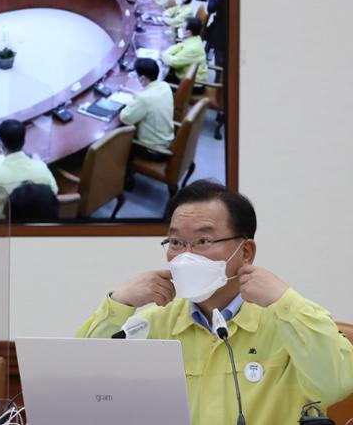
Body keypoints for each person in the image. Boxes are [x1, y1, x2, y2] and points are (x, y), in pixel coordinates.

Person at [78, 180, 353, 424]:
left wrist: (286, 302)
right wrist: (119, 303)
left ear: (245, 252)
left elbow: (337, 383)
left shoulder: (288, 320)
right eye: (175, 242)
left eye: (203, 240)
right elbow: (80, 388)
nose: (186, 256)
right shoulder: (153, 325)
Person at [0, 119, 58, 219]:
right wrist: (39, 163)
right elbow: (54, 191)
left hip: (3, 230)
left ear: (1, 145)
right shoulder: (41, 167)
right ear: (24, 142)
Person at [119, 58, 174, 161]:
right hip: (166, 140)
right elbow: (150, 99)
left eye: (137, 75)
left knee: (116, 144)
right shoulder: (165, 86)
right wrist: (131, 93)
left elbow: (125, 118)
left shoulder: (144, 99)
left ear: (143, 78)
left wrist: (126, 104)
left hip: (152, 150)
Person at [161, 17, 209, 84]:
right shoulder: (195, 38)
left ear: (188, 32)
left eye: (182, 27)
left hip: (192, 84)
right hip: (185, 75)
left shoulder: (192, 49)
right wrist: (166, 53)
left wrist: (163, 54)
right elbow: (179, 46)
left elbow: (173, 62)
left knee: (158, 79)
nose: (180, 28)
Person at [204, 0, 226, 69]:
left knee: (216, 54)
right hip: (219, 28)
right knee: (210, 46)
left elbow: (210, 8)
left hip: (220, 33)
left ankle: (207, 62)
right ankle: (206, 61)